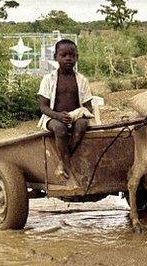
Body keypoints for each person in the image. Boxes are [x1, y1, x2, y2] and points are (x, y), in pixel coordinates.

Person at [38, 39, 94, 180]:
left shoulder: (82, 80)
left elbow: (88, 107)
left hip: (75, 118)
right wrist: (57, 115)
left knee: (82, 124)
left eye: (72, 55)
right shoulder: (48, 79)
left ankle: (63, 162)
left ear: (77, 57)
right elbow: (43, 106)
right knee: (61, 129)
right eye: (64, 55)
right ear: (55, 57)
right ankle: (68, 163)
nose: (68, 58)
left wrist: (78, 114)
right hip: (53, 118)